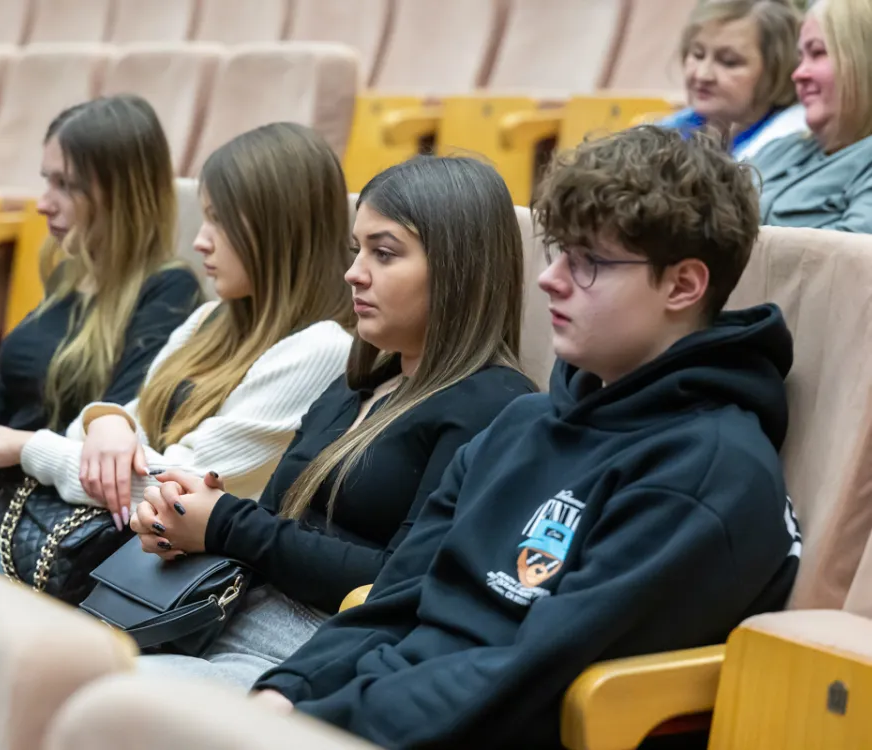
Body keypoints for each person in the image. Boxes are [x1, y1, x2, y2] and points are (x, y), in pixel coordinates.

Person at [251, 127, 802, 749]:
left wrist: (314, 724)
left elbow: (531, 682)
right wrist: (285, 691)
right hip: (371, 713)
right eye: (558, 252)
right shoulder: (523, 424)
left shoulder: (712, 473)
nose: (551, 280)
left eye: (589, 262)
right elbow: (396, 599)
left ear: (683, 286)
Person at [136, 156, 538, 687]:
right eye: (356, 251)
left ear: (459, 270)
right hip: (221, 613)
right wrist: (187, 522)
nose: (354, 273)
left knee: (107, 699)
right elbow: (278, 524)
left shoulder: (496, 403)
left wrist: (226, 524)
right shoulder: (360, 381)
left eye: (384, 253)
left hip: (318, 653)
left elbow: (402, 584)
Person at [0, 122, 356, 568]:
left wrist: (28, 448)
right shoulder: (213, 318)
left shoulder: (323, 348)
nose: (200, 240)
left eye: (218, 220)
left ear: (280, 229)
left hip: (159, 586)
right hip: (103, 554)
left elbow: (180, 490)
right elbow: (114, 429)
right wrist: (108, 421)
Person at [0, 94, 201, 539]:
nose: (44, 203)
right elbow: (10, 391)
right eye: (48, 181)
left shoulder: (168, 291)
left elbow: (100, 442)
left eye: (67, 185)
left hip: (28, 534)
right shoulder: (73, 272)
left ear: (123, 195)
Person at [750, 0, 872, 232]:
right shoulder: (780, 149)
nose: (798, 74)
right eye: (800, 58)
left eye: (817, 53)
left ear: (864, 62)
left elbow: (851, 260)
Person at [660, 0, 805, 160]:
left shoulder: (787, 149)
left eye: (729, 62)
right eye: (697, 54)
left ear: (777, 69)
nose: (703, 75)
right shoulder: (666, 133)